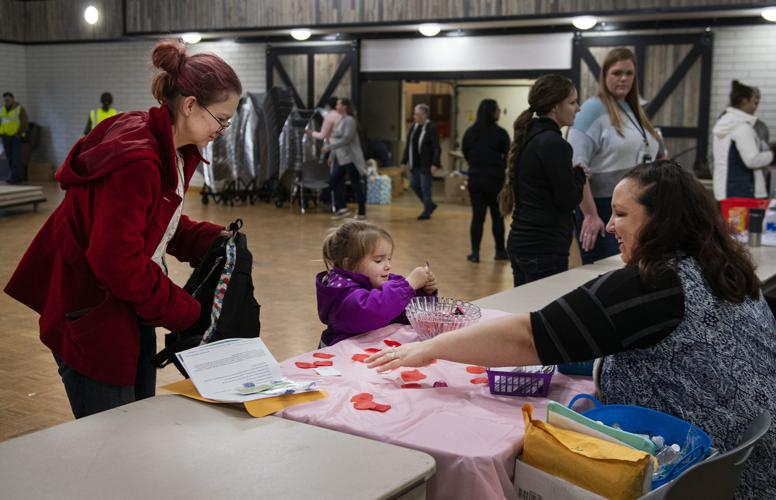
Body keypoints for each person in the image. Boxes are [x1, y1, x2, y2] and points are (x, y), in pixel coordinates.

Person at [368, 160, 776, 499]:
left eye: (621, 214)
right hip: (747, 466)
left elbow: (529, 336)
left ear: (663, 219)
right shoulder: (725, 268)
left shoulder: (654, 284)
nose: (611, 227)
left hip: (704, 477)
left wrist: (431, 348)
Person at [3, 40, 242, 418]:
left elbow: (155, 225)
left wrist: (211, 241)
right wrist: (186, 312)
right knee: (113, 438)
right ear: (191, 105)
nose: (224, 129)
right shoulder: (141, 160)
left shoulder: (171, 150)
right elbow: (117, 261)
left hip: (123, 306)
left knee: (137, 426)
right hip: (92, 313)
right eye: (222, 119)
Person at [568, 48, 662, 264]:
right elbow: (575, 167)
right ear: (605, 75)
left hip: (639, 205)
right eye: (617, 73)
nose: (623, 79)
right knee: (608, 272)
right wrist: (591, 215)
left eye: (629, 73)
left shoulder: (633, 109)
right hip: (603, 208)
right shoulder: (591, 110)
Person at [498, 75, 586, 285]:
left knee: (525, 312)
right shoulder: (554, 143)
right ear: (555, 106)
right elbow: (568, 200)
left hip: (523, 242)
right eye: (572, 102)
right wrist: (580, 175)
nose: (578, 108)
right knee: (541, 315)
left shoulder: (531, 136)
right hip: (543, 247)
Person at [316, 220, 438, 347]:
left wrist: (423, 293)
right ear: (349, 264)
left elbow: (409, 316)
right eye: (379, 260)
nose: (388, 266)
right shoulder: (342, 292)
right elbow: (373, 312)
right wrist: (409, 286)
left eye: (389, 259)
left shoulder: (385, 282)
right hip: (339, 357)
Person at [461, 99, 510, 263]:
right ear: (491, 112)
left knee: (477, 217)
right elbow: (508, 155)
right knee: (498, 217)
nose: (499, 112)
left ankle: (475, 253)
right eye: (497, 109)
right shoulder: (501, 133)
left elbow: (465, 152)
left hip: (475, 179)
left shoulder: (470, 132)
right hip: (495, 180)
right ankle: (500, 251)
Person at [712, 80, 774, 200]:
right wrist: (773, 155)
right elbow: (752, 160)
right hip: (744, 192)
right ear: (745, 101)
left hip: (725, 191)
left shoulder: (724, 123)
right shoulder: (741, 127)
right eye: (753, 102)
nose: (755, 107)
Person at [323, 97, 368, 220]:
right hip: (342, 159)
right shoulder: (341, 120)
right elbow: (337, 139)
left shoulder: (349, 120)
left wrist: (329, 147)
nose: (336, 106)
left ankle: (362, 212)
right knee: (333, 181)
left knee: (355, 185)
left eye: (338, 104)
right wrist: (332, 155)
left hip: (351, 159)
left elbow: (346, 139)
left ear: (345, 107)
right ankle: (342, 208)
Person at [401, 103, 441, 220]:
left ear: (425, 115)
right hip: (415, 163)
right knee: (414, 185)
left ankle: (426, 212)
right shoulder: (414, 127)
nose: (415, 116)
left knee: (425, 187)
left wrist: (435, 164)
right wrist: (404, 161)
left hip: (426, 164)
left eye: (418, 114)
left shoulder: (431, 128)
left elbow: (436, 147)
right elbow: (408, 145)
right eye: (414, 114)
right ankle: (430, 205)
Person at [0, 91, 29, 184]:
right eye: (5, 100)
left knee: (15, 158)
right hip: (5, 137)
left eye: (8, 100)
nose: (6, 102)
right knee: (9, 158)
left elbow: (24, 123)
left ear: (13, 99)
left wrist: (20, 133)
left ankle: (14, 177)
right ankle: (16, 176)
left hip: (16, 137)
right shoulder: (2, 110)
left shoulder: (19, 109)